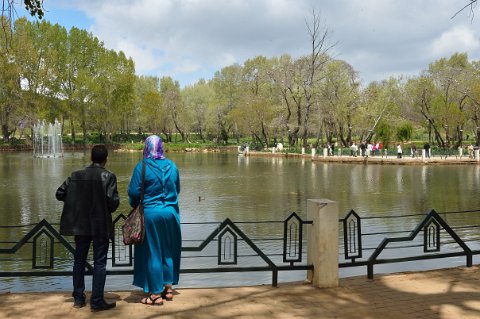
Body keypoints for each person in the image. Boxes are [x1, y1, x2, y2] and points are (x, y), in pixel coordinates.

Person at [55, 144, 119, 312]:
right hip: (100, 226)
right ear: (106, 159)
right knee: (100, 263)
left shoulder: (76, 175)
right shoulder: (108, 176)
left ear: (91, 157)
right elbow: (113, 204)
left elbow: (59, 193)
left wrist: (76, 201)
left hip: (80, 225)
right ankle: (97, 301)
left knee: (79, 260)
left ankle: (78, 298)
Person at [128, 135, 181, 306]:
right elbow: (177, 188)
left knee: (153, 254)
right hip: (171, 214)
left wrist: (135, 204)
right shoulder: (172, 166)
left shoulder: (142, 166)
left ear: (146, 147)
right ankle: (168, 288)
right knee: (167, 250)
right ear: (161, 147)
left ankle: (155, 295)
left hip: (151, 214)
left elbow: (134, 193)